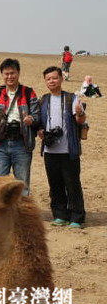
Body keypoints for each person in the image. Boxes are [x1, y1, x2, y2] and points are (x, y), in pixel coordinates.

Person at [39, 66, 87, 228]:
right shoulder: (43, 100)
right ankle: (60, 215)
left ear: (61, 79)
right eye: (48, 79)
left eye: (54, 78)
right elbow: (39, 124)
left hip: (69, 150)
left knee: (72, 184)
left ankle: (76, 217)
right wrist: (40, 131)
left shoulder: (71, 98)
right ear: (45, 81)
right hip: (50, 150)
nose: (51, 81)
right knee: (55, 184)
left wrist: (80, 113)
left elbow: (80, 121)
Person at [0, 58, 39, 196]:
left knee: (22, 184)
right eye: (6, 74)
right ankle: (3, 215)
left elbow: (37, 115)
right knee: (0, 184)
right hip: (0, 143)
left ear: (18, 73)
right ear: (2, 75)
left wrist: (31, 119)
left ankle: (22, 214)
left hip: (22, 143)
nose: (9, 77)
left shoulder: (28, 92)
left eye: (12, 73)